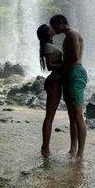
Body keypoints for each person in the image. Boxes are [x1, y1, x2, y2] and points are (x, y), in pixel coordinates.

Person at [50, 15, 87, 159]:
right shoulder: (69, 36)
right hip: (70, 74)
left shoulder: (72, 34)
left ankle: (80, 153)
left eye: (55, 26)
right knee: (72, 116)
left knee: (78, 116)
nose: (54, 29)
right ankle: (73, 149)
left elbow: (75, 58)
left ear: (61, 23)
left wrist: (61, 72)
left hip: (75, 73)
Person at [37, 24, 63, 157]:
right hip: (53, 83)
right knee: (49, 117)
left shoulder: (48, 45)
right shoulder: (47, 46)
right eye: (50, 27)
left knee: (50, 116)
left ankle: (45, 147)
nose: (53, 28)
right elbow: (50, 66)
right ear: (47, 32)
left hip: (55, 82)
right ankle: (45, 147)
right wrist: (67, 63)